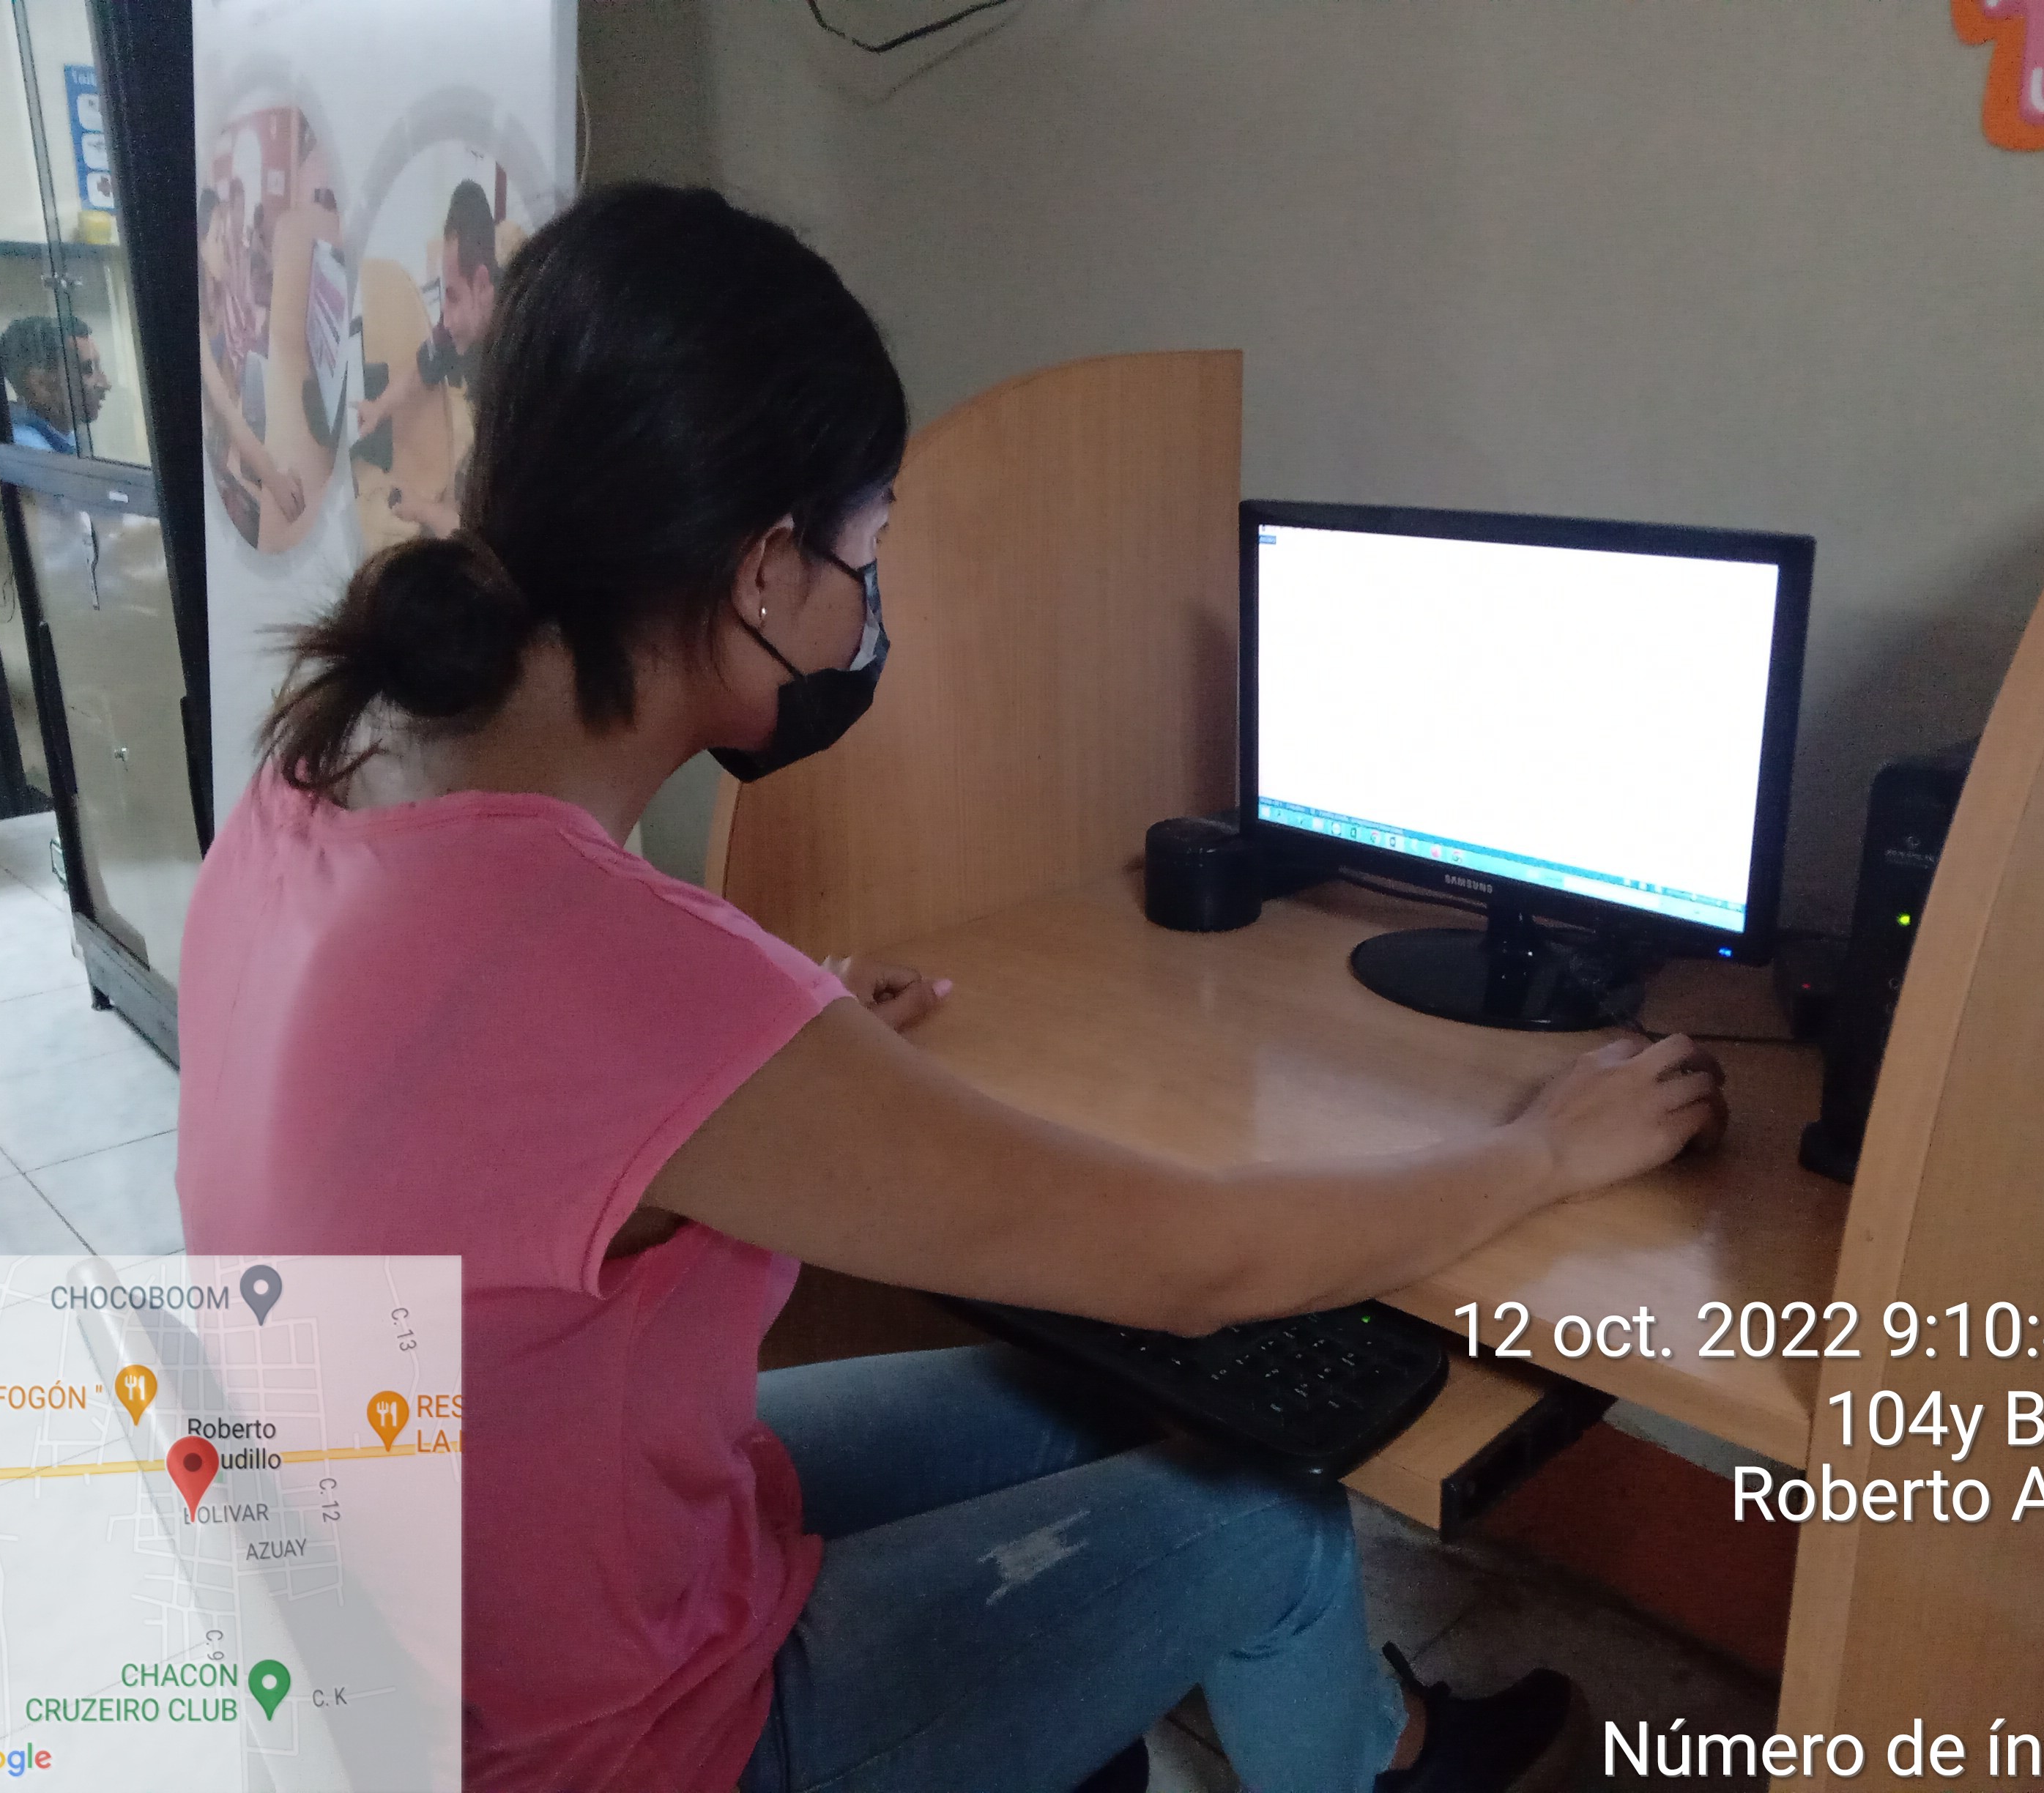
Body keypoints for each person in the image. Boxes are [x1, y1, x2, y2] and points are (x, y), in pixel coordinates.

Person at [175, 182, 1726, 1793]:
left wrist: (784, 1057)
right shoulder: (606, 963)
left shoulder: (321, 771)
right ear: (761, 569)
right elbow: (1205, 1264)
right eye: (865, 554)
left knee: (1081, 1405)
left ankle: (1347, 1735)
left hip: (440, 1637)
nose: (867, 608)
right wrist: (1542, 1149)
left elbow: (507, 1117)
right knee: (1282, 1508)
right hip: (610, 1752)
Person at [355, 177, 500, 538]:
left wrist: (422, 510)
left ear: (483, 284)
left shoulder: (514, 367)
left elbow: (484, 536)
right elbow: (421, 370)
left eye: (452, 296)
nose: (444, 321)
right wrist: (378, 408)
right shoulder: (460, 327)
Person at [196, 185, 304, 532]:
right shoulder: (197, 322)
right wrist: (273, 478)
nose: (224, 249)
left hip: (228, 434)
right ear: (198, 247)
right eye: (217, 239)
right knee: (267, 517)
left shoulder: (215, 296)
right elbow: (224, 409)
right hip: (215, 451)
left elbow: (230, 379)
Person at [0, 313, 108, 453]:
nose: (106, 384)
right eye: (88, 369)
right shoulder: (29, 450)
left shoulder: (66, 438)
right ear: (39, 383)